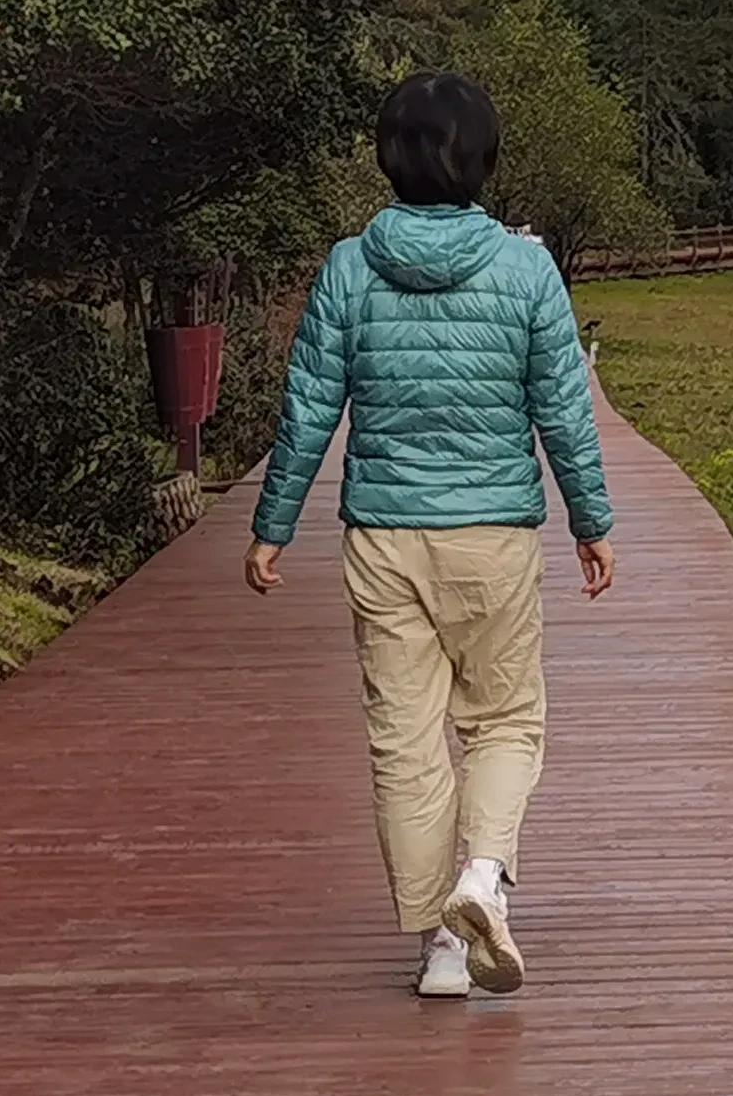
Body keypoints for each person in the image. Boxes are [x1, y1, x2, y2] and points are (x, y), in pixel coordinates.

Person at [245, 70, 617, 1000]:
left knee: (405, 742)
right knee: (504, 720)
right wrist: (591, 520)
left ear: (388, 157)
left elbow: (307, 410)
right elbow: (564, 411)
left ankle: (441, 951)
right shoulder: (528, 270)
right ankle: (483, 879)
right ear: (484, 160)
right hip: (493, 536)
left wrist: (272, 526)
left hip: (383, 537)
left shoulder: (347, 267)